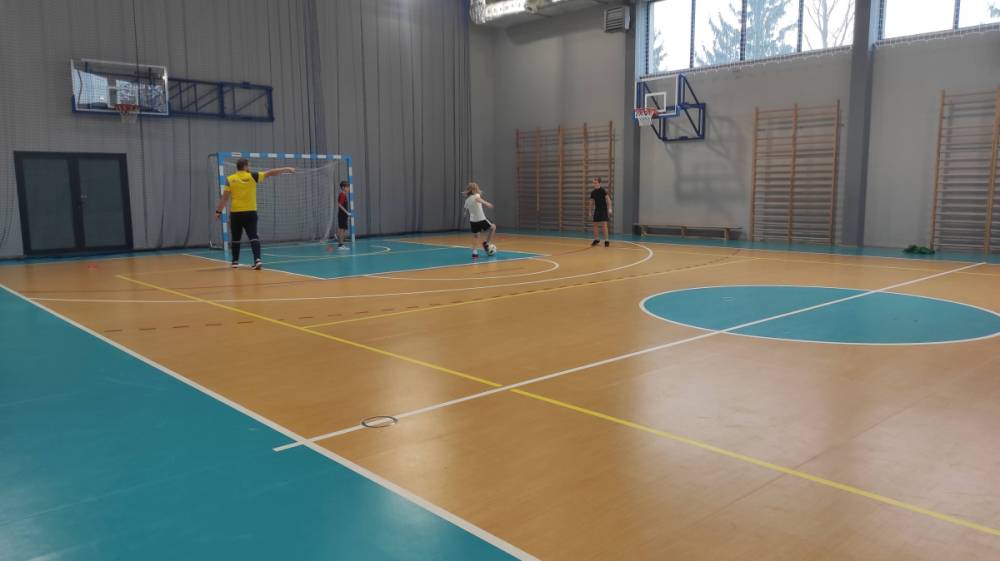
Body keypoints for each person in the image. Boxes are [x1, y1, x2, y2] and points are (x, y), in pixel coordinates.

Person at [214, 158, 295, 269]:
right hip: (250, 212)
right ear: (245, 166)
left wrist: (218, 211)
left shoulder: (230, 179)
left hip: (236, 213)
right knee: (253, 236)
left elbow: (224, 198)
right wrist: (286, 168)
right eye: (248, 165)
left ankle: (235, 262)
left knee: (236, 238)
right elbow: (271, 172)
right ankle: (257, 260)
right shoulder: (253, 176)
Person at [463, 182, 496, 260]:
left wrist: (465, 213)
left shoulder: (467, 200)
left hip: (473, 221)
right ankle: (486, 243)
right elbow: (478, 199)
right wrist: (486, 203)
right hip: (481, 219)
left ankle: (474, 253)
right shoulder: (476, 195)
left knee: (476, 236)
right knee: (493, 227)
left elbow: (465, 210)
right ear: (474, 190)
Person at [588, 177, 612, 247]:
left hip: (603, 210)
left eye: (595, 183)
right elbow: (591, 202)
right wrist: (590, 211)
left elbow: (608, 200)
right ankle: (597, 239)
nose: (594, 184)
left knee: (604, 225)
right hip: (597, 210)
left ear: (599, 183)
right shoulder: (593, 192)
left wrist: (610, 208)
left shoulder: (603, 190)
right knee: (595, 225)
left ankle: (606, 240)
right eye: (593, 183)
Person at [335, 180, 352, 250]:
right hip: (342, 215)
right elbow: (340, 205)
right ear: (343, 187)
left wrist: (346, 214)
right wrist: (347, 212)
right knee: (342, 230)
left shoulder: (344, 195)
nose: (348, 189)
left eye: (348, 187)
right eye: (347, 187)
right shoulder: (342, 195)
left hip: (343, 215)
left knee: (343, 229)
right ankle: (340, 245)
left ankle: (341, 243)